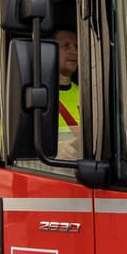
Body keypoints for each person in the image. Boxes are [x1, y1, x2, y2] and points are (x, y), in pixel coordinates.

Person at [52, 28, 81, 160]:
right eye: (66, 46)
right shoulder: (35, 96)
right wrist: (54, 151)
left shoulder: (85, 94)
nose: (74, 51)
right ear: (50, 51)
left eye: (76, 46)